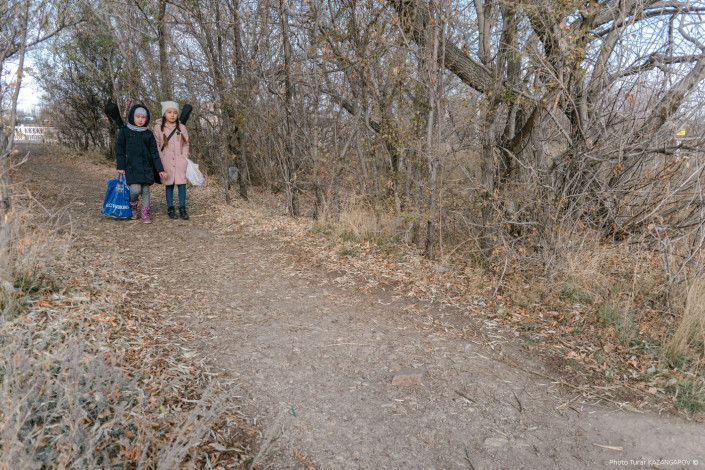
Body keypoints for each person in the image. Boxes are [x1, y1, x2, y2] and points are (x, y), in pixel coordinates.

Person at [116, 104, 167, 224]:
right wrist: (121, 166)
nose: (140, 120)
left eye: (143, 117)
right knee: (135, 190)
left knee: (145, 191)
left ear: (146, 119)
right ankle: (133, 205)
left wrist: (160, 169)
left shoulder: (148, 134)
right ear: (132, 117)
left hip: (146, 168)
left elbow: (154, 153)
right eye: (137, 117)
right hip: (132, 167)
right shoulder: (125, 131)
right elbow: (120, 149)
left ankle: (145, 214)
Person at [154, 101, 190, 220]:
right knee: (169, 184)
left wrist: (184, 157)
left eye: (175, 112)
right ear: (164, 113)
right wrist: (161, 159)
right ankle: (170, 207)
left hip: (180, 161)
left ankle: (182, 208)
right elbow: (157, 145)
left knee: (181, 184)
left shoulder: (181, 127)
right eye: (169, 112)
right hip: (166, 161)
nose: (172, 115)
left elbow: (186, 143)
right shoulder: (158, 127)